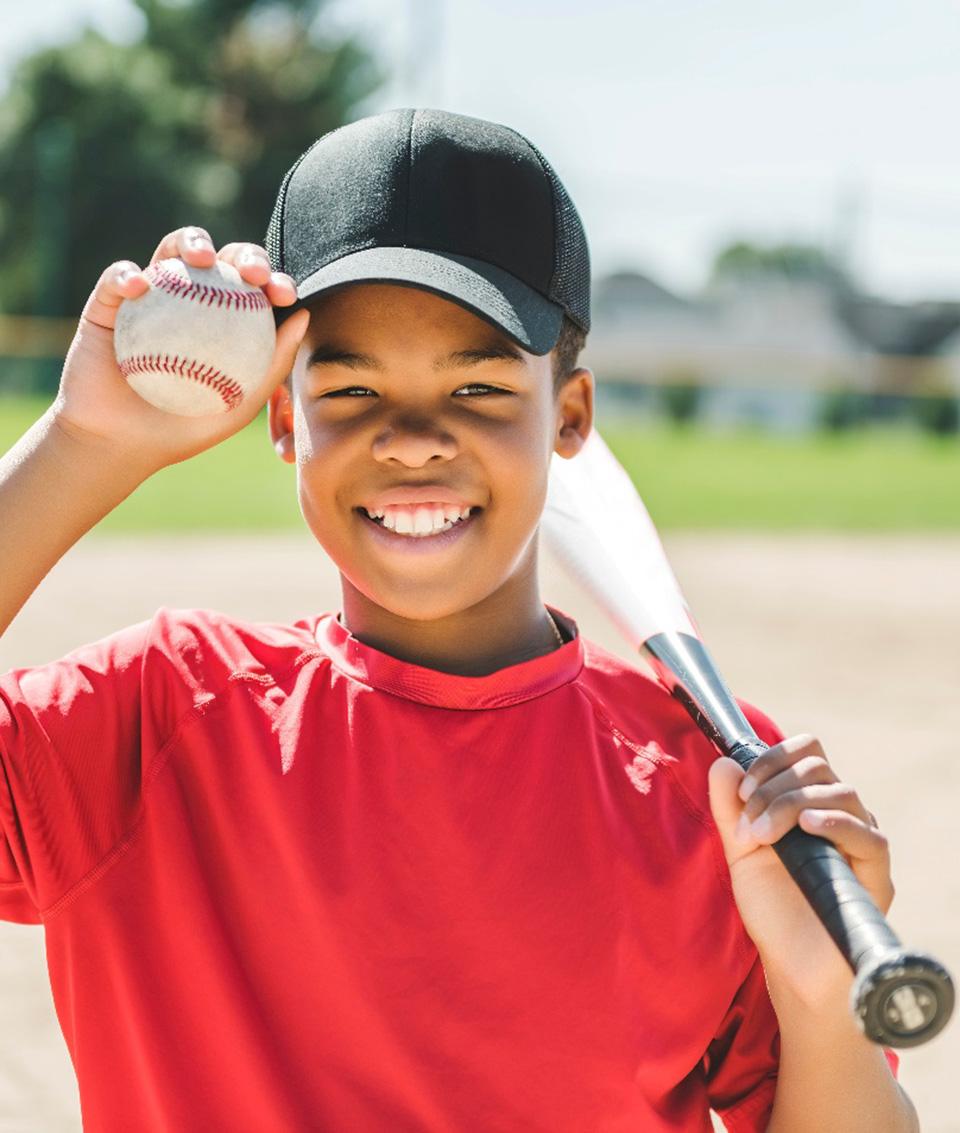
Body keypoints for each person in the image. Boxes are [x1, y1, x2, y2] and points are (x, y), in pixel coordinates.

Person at [0, 108, 916, 1132]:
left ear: (568, 415)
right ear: (282, 416)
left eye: (478, 384)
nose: (413, 438)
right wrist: (83, 445)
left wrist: (820, 1000)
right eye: (350, 386)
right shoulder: (155, 717)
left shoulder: (716, 789)